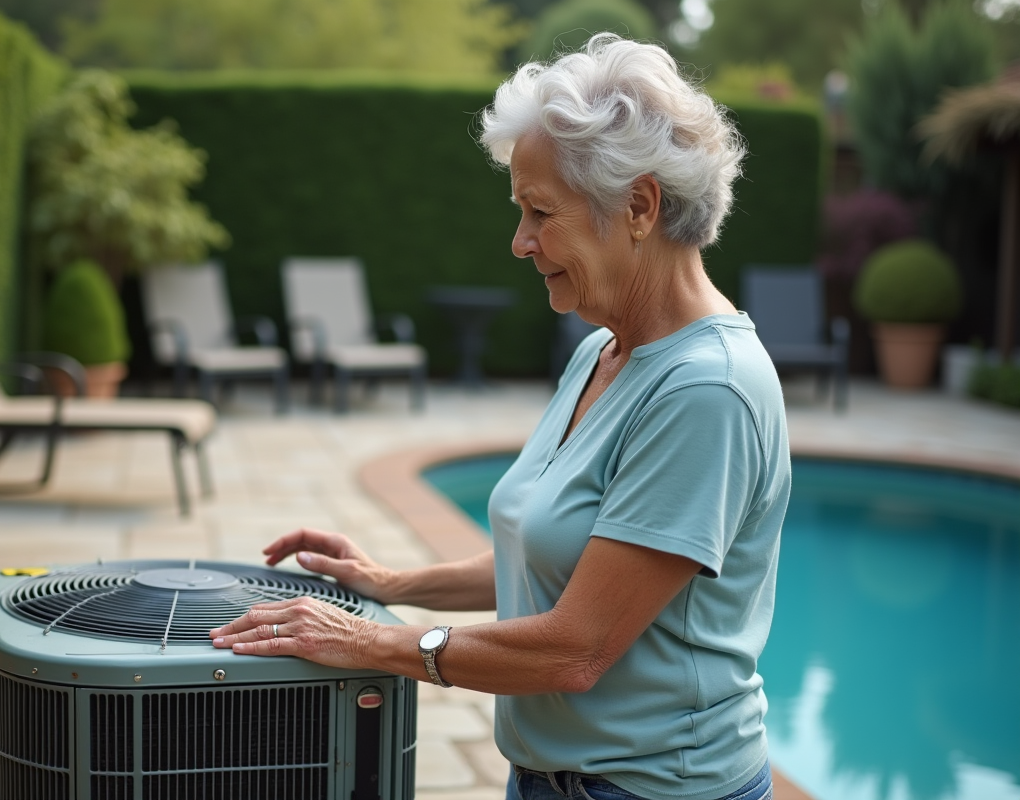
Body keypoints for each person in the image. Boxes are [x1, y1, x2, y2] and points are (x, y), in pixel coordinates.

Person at [210, 33, 789, 800]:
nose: (519, 243)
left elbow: (575, 648)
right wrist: (389, 580)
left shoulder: (707, 391)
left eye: (539, 212)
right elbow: (566, 559)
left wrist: (371, 642)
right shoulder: (601, 355)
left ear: (640, 205)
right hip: (551, 779)